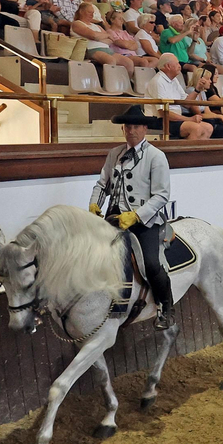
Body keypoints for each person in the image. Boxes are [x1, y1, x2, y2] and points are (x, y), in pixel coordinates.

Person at [90, 106, 175, 329]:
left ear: (145, 128)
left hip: (144, 221)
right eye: (128, 126)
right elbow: (102, 184)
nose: (131, 131)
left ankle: (166, 307)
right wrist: (95, 204)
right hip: (114, 218)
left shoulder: (156, 157)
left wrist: (137, 215)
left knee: (150, 264)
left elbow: (162, 195)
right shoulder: (114, 154)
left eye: (136, 126)